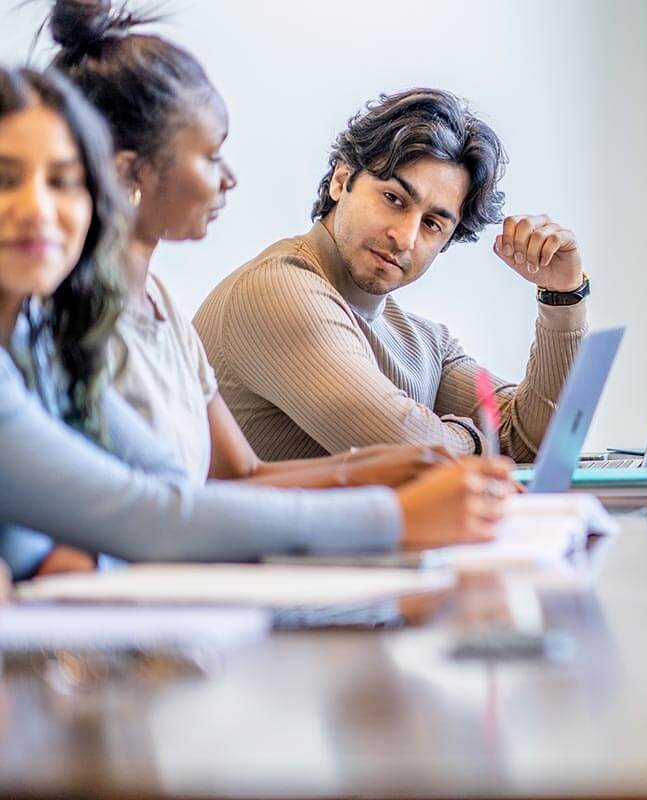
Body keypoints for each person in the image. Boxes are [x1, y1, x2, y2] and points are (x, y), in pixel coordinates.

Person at [0, 65, 510, 581]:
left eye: (64, 181)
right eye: (5, 179)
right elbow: (153, 517)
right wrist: (396, 514)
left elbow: (174, 491)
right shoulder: (280, 287)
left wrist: (563, 297)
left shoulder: (37, 336)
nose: (39, 210)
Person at [46, 0, 450, 489]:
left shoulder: (161, 303)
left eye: (434, 223)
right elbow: (167, 507)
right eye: (212, 156)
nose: (229, 179)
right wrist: (392, 500)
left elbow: (241, 474)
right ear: (131, 172)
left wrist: (400, 469)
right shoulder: (69, 320)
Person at [194, 87, 592, 462]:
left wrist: (562, 294)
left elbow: (537, 444)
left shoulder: (423, 341)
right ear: (341, 179)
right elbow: (405, 449)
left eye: (433, 224)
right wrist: (480, 440)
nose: (405, 238)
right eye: (394, 199)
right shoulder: (277, 289)